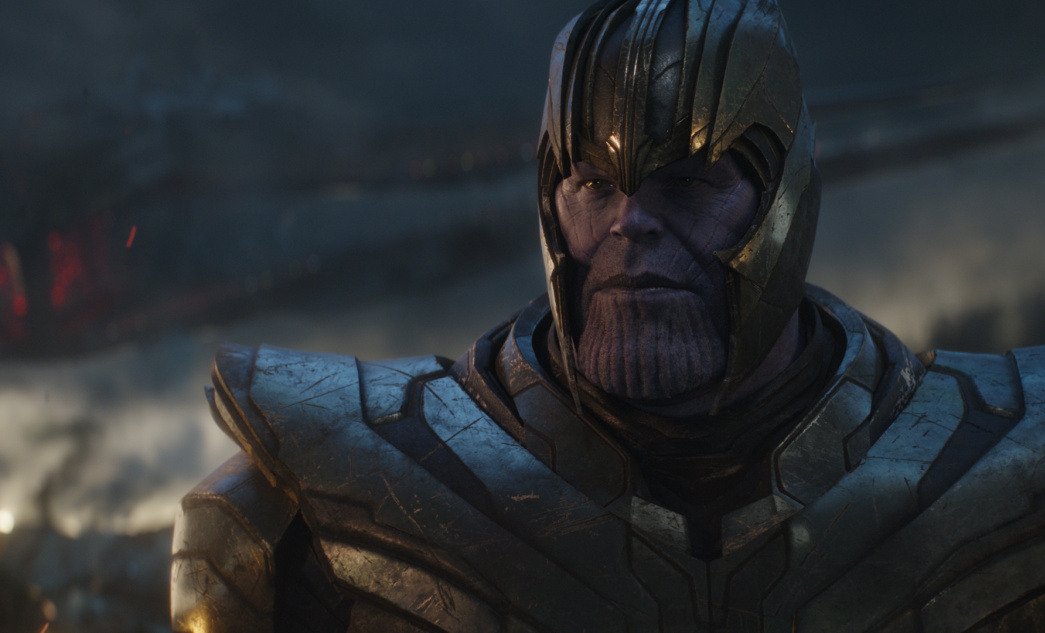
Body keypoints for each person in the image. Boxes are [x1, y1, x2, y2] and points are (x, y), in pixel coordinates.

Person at [170, 1, 1045, 631]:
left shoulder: (1011, 470)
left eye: (689, 183)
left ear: (783, 196)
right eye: (592, 184)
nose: (631, 223)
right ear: (551, 197)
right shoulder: (317, 496)